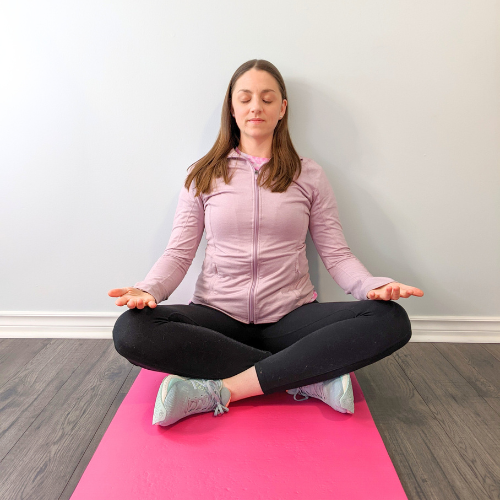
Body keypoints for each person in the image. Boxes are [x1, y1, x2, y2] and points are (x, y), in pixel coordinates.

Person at [109, 59, 423, 428]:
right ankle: (304, 373)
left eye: (267, 98)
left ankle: (224, 389)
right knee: (130, 330)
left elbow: (336, 254)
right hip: (216, 316)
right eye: (245, 98)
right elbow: (178, 253)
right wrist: (146, 291)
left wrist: (374, 286)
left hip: (291, 318)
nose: (255, 106)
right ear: (232, 107)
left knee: (392, 321)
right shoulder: (203, 174)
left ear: (282, 109)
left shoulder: (309, 175)